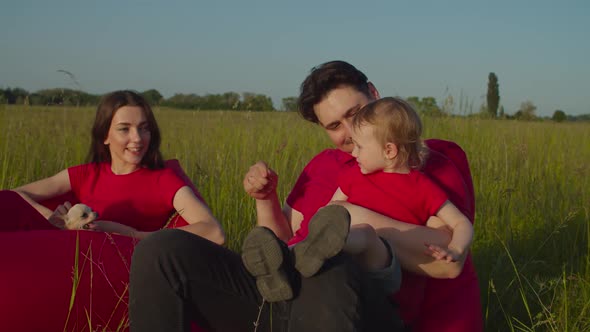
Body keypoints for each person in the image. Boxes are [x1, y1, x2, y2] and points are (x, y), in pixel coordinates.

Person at [130, 61, 481, 332]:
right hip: (282, 295)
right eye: (333, 126)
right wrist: (265, 199)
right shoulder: (323, 167)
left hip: (356, 304)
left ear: (374, 93)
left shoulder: (424, 160)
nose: (347, 134)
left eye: (354, 115)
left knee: (331, 263)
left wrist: (350, 220)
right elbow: (283, 239)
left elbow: (446, 261)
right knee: (161, 251)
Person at [0, 90, 224, 332]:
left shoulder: (163, 180)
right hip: (71, 273)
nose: (137, 138)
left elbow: (214, 232)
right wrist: (53, 218)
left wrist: (133, 235)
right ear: (104, 135)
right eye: (124, 129)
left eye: (144, 128)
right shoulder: (87, 174)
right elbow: (15, 196)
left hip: (122, 280)